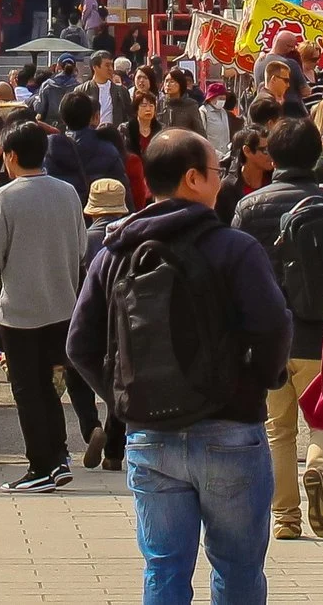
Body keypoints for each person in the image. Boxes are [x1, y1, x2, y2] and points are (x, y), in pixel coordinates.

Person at [67, 130, 293, 605]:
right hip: (231, 428)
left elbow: (80, 345)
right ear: (193, 178)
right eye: (217, 171)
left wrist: (124, 396)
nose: (221, 180)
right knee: (237, 568)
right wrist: (256, 384)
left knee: (164, 570)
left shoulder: (115, 252)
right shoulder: (235, 248)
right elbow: (272, 327)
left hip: (150, 433)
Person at [233, 117, 323, 542]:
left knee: (278, 429)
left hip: (270, 337)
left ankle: (285, 517)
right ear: (319, 155)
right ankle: (321, 469)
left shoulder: (250, 206)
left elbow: (236, 271)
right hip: (322, 335)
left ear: (274, 157)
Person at [0, 120, 89, 493]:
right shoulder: (68, 192)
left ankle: (41, 465)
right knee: (48, 387)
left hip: (20, 310)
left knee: (27, 388)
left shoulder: (4, 197)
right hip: (62, 305)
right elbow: (82, 247)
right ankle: (58, 457)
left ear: (10, 156)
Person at [66, 178, 134, 470]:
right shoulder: (131, 239)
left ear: (91, 210)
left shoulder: (82, 239)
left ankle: (90, 425)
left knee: (76, 372)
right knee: (120, 377)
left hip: (85, 315)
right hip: (122, 319)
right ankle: (114, 454)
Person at [44, 88, 125, 202]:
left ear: (62, 117)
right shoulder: (108, 150)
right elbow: (122, 190)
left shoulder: (49, 151)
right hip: (100, 213)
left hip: (66, 213)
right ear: (92, 116)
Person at [217, 127, 274, 223]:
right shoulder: (228, 189)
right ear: (247, 151)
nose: (271, 155)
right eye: (265, 150)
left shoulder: (275, 181)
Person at [89, 49, 129, 127]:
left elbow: (129, 115)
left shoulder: (121, 90)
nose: (111, 68)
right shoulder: (82, 90)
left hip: (114, 135)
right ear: (95, 67)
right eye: (107, 65)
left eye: (112, 65)